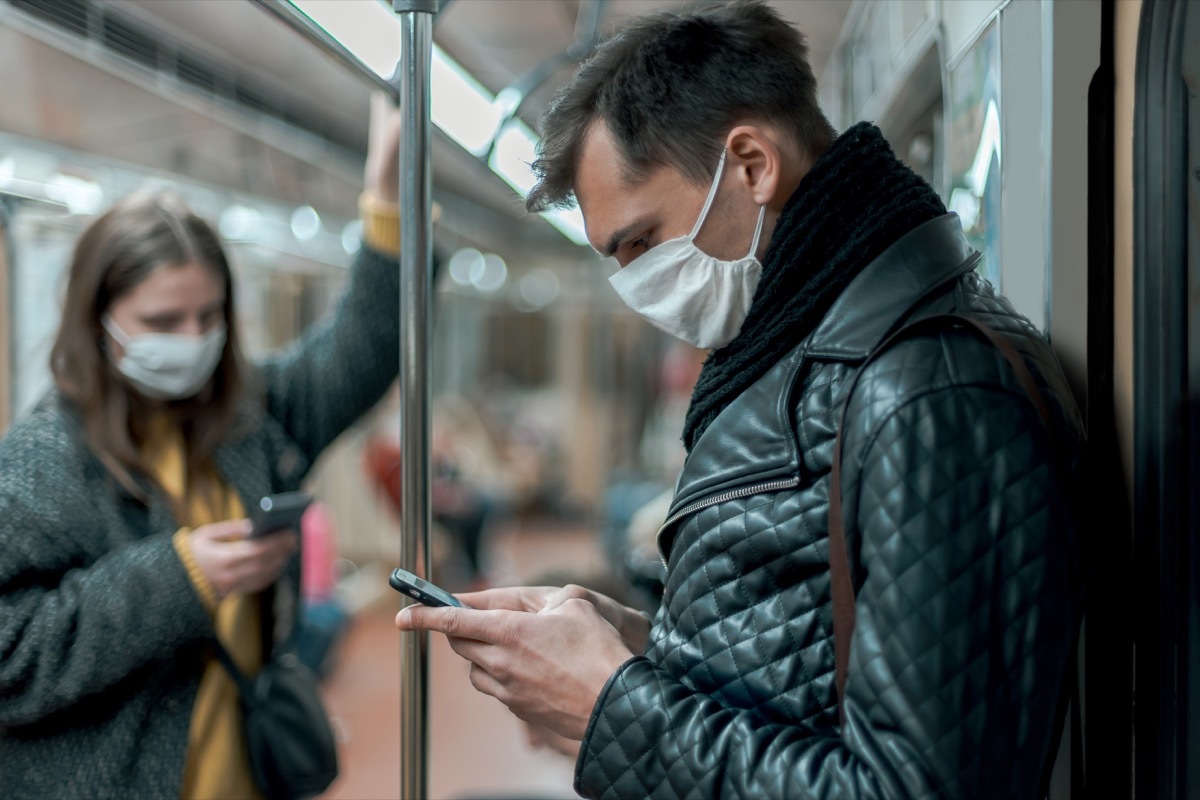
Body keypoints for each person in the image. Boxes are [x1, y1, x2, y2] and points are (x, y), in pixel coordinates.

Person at [397, 2, 1085, 798]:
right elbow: (811, 665)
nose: (635, 283)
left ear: (753, 163)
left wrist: (610, 707)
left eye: (641, 242)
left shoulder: (925, 392)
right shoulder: (814, 355)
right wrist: (645, 645)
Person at [0, 93, 405, 799]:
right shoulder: (41, 463)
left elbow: (360, 353)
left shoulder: (248, 414)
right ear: (98, 323)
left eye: (208, 315)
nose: (192, 341)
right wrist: (182, 575)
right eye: (162, 320)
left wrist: (389, 199)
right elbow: (12, 658)